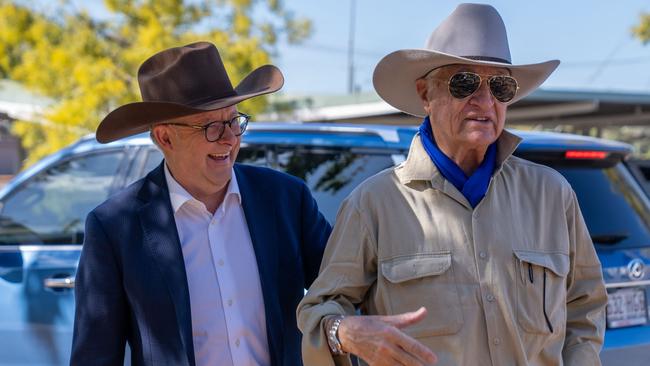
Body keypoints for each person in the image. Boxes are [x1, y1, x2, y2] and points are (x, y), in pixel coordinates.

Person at [297, 4, 607, 366]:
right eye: (465, 83)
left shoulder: (552, 195)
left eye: (500, 86)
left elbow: (586, 306)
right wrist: (345, 333)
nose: (485, 101)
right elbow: (320, 310)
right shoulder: (374, 204)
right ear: (425, 95)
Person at [71, 41, 331, 366]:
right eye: (211, 126)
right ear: (165, 137)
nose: (230, 138)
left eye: (234, 120)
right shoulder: (114, 227)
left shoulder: (287, 199)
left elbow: (343, 290)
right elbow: (95, 356)